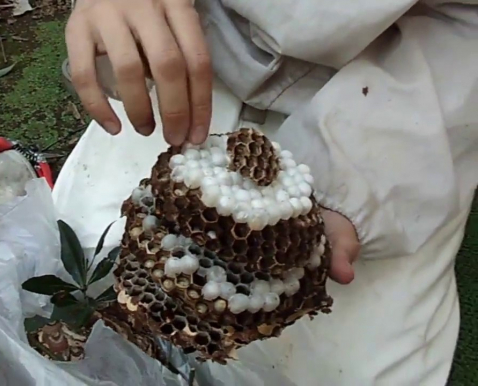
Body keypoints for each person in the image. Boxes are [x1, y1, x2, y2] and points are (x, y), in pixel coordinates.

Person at [52, 0, 478, 384]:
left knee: (351, 374)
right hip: (198, 45)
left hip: (404, 102)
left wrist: (357, 177)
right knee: (83, 248)